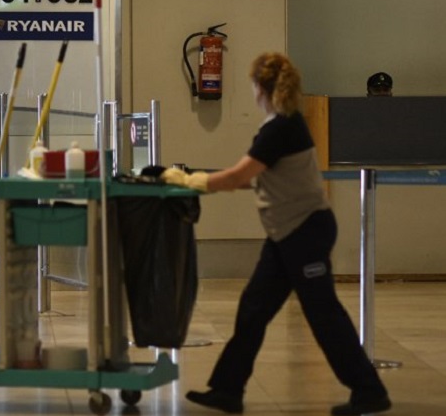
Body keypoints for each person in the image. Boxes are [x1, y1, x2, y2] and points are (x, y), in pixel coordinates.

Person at [162, 52, 392, 416]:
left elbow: (240, 175)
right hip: (287, 234)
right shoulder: (283, 124)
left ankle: (369, 391)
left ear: (260, 88)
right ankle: (227, 389)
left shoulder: (281, 128)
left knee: (324, 314)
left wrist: (193, 181)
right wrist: (208, 182)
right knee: (253, 308)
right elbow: (256, 177)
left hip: (304, 233)